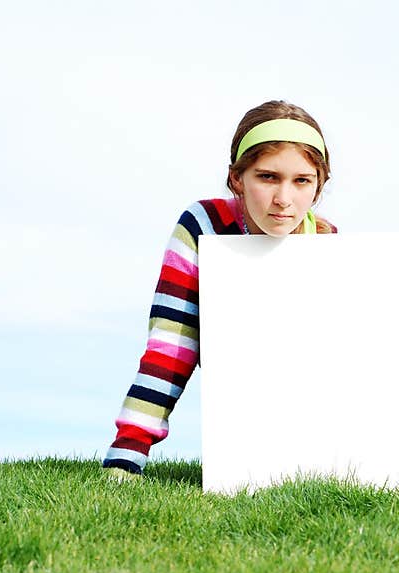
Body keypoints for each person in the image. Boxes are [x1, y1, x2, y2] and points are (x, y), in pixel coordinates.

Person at [102, 100, 338, 480]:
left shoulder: (327, 242)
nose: (284, 198)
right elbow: (172, 340)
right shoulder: (203, 224)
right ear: (236, 179)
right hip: (234, 404)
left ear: (319, 185)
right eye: (267, 177)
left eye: (301, 181)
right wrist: (129, 451)